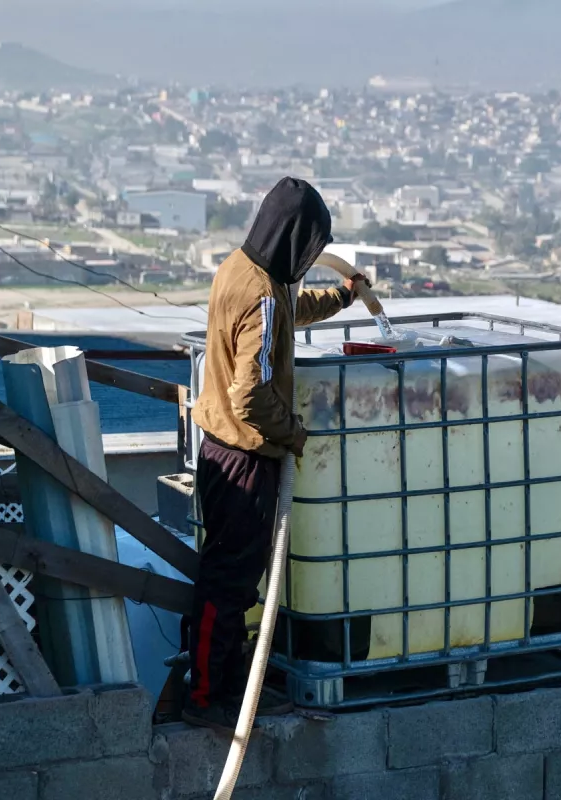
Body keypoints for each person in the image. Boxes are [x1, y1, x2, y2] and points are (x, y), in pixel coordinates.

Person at [183, 176, 369, 730]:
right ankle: (206, 698)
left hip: (218, 451)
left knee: (227, 576)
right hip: (244, 459)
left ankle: (225, 688)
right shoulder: (262, 295)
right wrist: (291, 432)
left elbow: (290, 310)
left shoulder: (242, 268)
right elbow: (250, 395)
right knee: (230, 582)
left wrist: (342, 296)